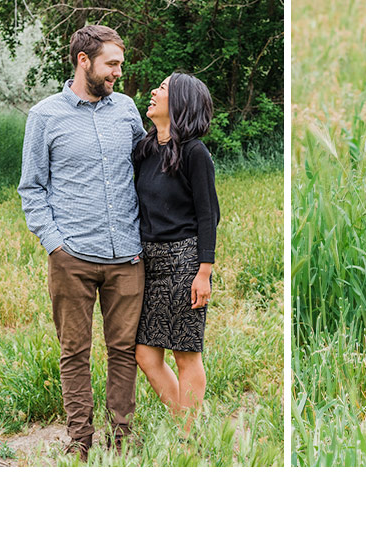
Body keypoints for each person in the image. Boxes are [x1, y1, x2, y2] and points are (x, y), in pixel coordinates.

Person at [18, 25, 147, 462]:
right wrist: (56, 245)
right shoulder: (45, 116)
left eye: (120, 65)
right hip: (71, 255)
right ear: (83, 60)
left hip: (127, 254)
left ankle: (122, 437)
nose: (118, 73)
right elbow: (32, 188)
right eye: (112, 64)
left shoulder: (127, 110)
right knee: (74, 351)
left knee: (124, 350)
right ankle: (79, 440)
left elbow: (150, 170)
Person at [132, 72, 219, 432]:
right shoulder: (145, 150)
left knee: (185, 353)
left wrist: (204, 272)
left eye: (163, 88)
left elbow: (208, 214)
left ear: (180, 102)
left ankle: (189, 437)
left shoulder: (195, 153)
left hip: (185, 263)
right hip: (149, 264)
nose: (153, 91)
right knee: (146, 354)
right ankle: (188, 425)